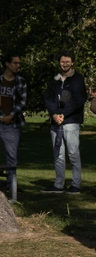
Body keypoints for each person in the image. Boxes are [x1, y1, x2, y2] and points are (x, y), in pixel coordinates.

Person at [42, 51, 87, 193]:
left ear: (72, 62)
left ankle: (75, 185)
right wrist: (54, 114)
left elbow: (79, 99)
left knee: (73, 153)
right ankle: (58, 184)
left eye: (68, 61)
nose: (65, 64)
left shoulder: (77, 79)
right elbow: (48, 99)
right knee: (58, 155)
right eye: (62, 61)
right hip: (56, 122)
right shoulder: (55, 80)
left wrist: (63, 114)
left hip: (71, 122)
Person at [0, 54, 27, 172]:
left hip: (12, 123)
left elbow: (21, 102)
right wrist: (1, 116)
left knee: (12, 156)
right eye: (15, 63)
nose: (18, 66)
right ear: (7, 64)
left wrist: (11, 115)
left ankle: (11, 185)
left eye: (19, 63)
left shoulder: (20, 81)